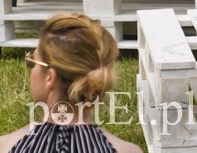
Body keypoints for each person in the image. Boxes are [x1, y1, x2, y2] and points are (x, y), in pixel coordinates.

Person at [0, 13, 141, 152]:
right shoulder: (128, 151)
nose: (31, 71)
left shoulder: (5, 146)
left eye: (32, 62)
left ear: (50, 77)